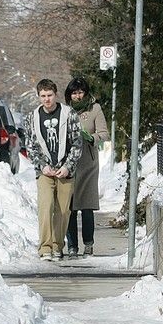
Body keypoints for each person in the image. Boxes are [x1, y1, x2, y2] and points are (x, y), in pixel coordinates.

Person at [24, 78, 82, 261]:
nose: (46, 99)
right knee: (46, 206)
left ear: (55, 94)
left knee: (63, 211)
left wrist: (67, 166)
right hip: (45, 171)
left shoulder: (69, 114)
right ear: (38, 96)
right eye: (43, 96)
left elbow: (77, 143)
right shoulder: (32, 117)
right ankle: (45, 248)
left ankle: (57, 245)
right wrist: (43, 166)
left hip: (65, 170)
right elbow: (30, 146)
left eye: (49, 95)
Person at [64, 77, 110, 257]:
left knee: (87, 206)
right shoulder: (65, 111)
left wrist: (92, 138)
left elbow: (104, 133)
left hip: (88, 163)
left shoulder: (94, 109)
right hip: (69, 164)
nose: (77, 96)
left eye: (80, 92)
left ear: (86, 93)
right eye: (74, 93)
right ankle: (72, 246)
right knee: (70, 206)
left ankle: (88, 244)